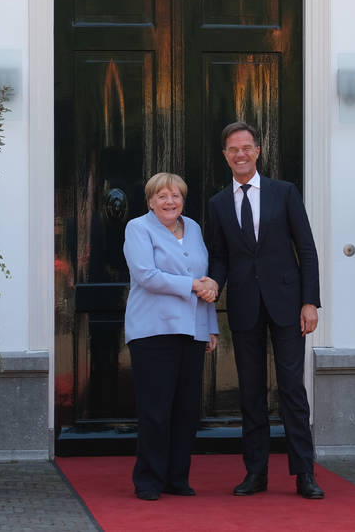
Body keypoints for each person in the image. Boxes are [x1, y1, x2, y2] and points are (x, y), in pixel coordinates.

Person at [206, 121, 324, 500]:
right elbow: (220, 259)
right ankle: (255, 473)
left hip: (288, 305)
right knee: (251, 393)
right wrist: (211, 289)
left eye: (246, 147)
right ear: (225, 156)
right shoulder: (217, 204)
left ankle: (304, 473)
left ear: (257, 151)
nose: (240, 154)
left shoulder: (284, 193)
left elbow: (306, 248)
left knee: (292, 389)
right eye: (233, 149)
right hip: (243, 307)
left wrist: (310, 302)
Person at [123, 172, 220, 501]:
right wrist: (193, 285)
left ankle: (176, 478)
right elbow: (147, 276)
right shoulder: (138, 228)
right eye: (162, 196)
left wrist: (210, 326)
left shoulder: (193, 228)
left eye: (176, 195)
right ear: (150, 201)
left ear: (183, 199)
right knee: (156, 409)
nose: (170, 201)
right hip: (153, 330)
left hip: (192, 330)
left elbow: (205, 278)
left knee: (186, 410)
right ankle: (149, 480)